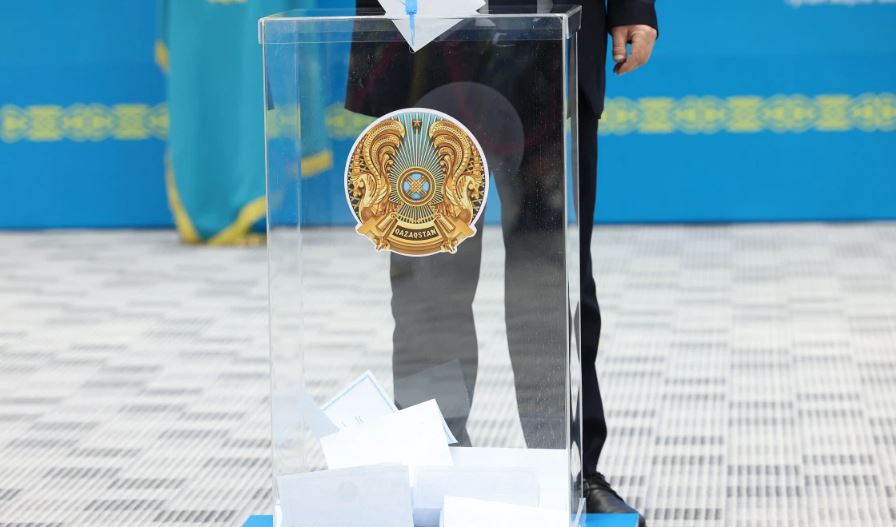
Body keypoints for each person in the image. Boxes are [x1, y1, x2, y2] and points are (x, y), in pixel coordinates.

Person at [347, 1, 658, 523]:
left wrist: (632, 4)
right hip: (424, 37)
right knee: (429, 276)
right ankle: (432, 462)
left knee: (553, 275)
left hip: (551, 31)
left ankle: (571, 471)